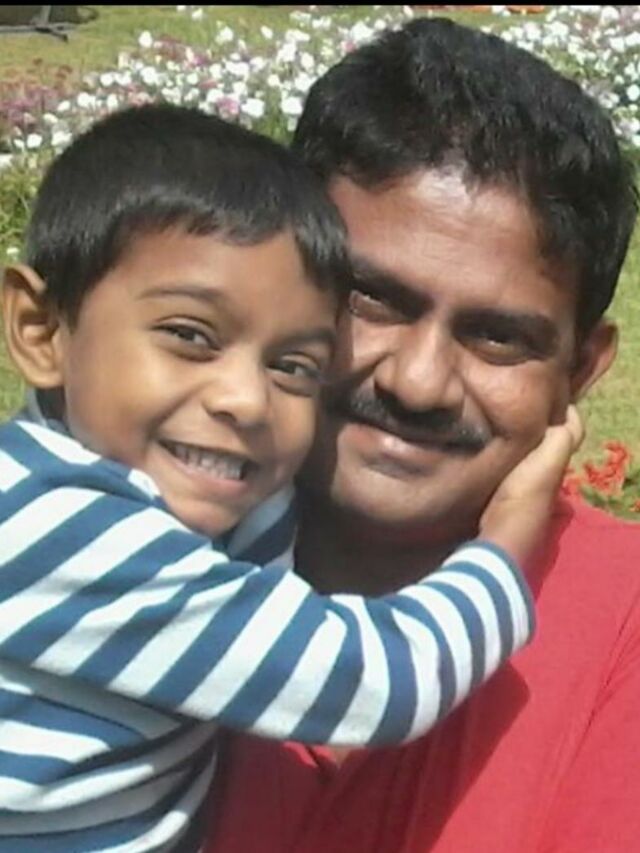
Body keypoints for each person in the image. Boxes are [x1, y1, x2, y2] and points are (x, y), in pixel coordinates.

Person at [0, 103, 576, 852]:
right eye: (189, 335)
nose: (246, 400)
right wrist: (504, 546)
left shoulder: (114, 468)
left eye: (294, 366)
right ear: (41, 330)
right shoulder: (62, 535)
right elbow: (381, 681)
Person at [206, 16, 640, 853]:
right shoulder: (124, 548)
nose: (417, 381)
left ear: (581, 368)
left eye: (498, 337)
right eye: (371, 299)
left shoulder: (622, 624)